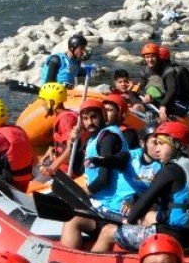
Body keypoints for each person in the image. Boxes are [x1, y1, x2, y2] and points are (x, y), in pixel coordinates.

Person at [89, 121, 189, 254]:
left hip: (168, 239)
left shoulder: (169, 170)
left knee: (108, 231)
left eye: (161, 144)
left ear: (176, 145)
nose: (157, 149)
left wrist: (128, 223)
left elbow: (144, 202)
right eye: (156, 143)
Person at [59, 99, 138, 248]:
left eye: (94, 117)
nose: (90, 122)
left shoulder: (107, 138)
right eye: (85, 118)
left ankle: (69, 258)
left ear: (102, 116)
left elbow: (104, 179)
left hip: (114, 207)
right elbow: (78, 168)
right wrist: (72, 143)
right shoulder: (93, 138)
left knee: (72, 218)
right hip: (102, 202)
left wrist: (82, 193)